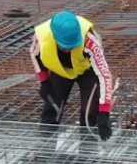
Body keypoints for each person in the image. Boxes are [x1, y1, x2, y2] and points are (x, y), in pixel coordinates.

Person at [30, 11, 119, 140]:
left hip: (86, 71)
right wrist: (44, 82)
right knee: (52, 108)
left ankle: (87, 154)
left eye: (72, 46)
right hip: (60, 70)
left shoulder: (89, 40)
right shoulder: (41, 37)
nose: (68, 50)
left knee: (90, 115)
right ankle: (44, 148)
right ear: (55, 37)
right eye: (64, 47)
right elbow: (34, 54)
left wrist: (104, 111)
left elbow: (104, 75)